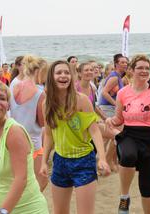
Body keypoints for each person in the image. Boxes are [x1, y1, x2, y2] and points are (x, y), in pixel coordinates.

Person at [40, 60, 110, 214]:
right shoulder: (47, 104)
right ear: (51, 77)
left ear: (71, 77)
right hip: (60, 161)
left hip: (83, 161)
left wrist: (103, 158)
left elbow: (95, 131)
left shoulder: (81, 100)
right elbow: (48, 134)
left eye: (66, 72)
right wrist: (44, 161)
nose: (63, 76)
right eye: (59, 72)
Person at [0, 78, 49, 214]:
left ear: (8, 106)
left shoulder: (13, 132)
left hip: (27, 210)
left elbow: (21, 179)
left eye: (2, 98)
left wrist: (3, 211)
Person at [106, 55, 150, 214]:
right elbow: (119, 118)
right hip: (130, 134)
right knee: (128, 155)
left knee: (146, 186)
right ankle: (124, 197)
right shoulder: (123, 93)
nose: (144, 71)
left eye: (147, 68)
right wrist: (111, 120)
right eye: (140, 68)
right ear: (131, 70)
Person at [10, 55, 48, 191]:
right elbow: (42, 122)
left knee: (20, 178)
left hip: (14, 136)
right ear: (39, 72)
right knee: (41, 179)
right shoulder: (40, 92)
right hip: (32, 140)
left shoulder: (14, 86)